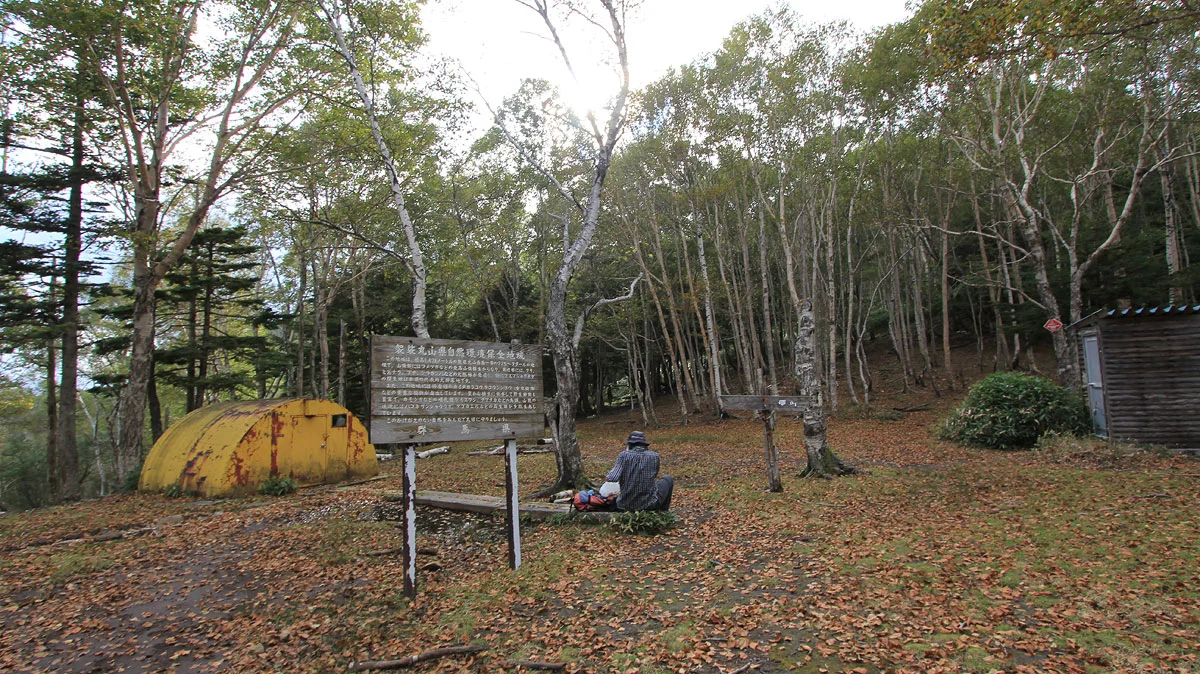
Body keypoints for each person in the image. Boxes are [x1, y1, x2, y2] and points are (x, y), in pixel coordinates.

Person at [606, 431, 673, 512]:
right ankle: (663, 511)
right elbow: (654, 475)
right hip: (648, 505)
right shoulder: (655, 456)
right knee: (667, 479)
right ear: (644, 444)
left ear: (630, 445)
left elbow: (612, 478)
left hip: (625, 505)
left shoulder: (623, 455)